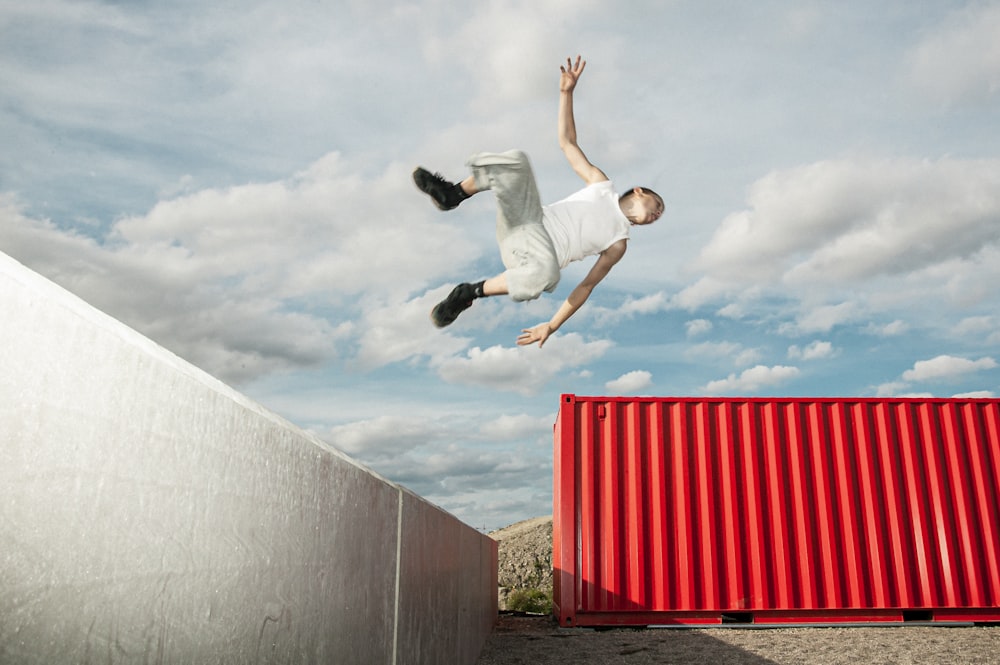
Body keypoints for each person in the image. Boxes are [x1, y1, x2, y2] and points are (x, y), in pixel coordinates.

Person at [413, 55, 664, 348]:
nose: (658, 213)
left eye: (660, 215)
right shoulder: (601, 183)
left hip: (537, 261)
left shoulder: (618, 243)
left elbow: (586, 286)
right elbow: (568, 143)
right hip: (526, 223)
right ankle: (453, 195)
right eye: (657, 205)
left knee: (548, 275)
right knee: (517, 161)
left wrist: (552, 325)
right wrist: (566, 93)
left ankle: (468, 293)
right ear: (638, 192)